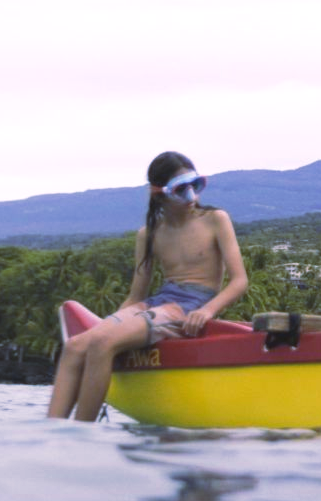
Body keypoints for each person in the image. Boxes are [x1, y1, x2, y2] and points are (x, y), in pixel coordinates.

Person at [47, 151, 249, 420]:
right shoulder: (149, 234)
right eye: (181, 189)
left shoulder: (215, 219)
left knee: (102, 344)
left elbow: (240, 281)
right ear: (159, 193)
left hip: (191, 305)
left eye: (196, 186)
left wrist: (208, 311)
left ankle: (82, 437)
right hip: (158, 301)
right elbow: (136, 296)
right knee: (75, 346)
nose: (192, 197)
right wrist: (113, 323)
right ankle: (52, 435)